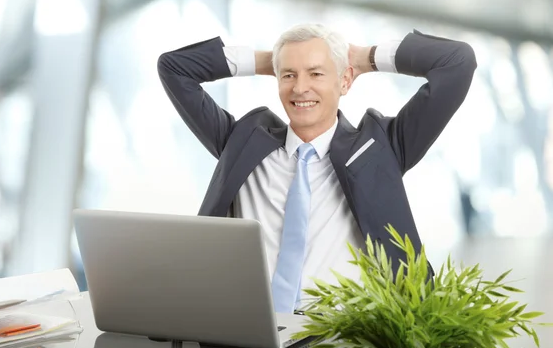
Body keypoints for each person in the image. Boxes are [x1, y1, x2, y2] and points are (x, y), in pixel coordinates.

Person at [157, 24, 476, 314]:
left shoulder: (381, 148)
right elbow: (174, 69)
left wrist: (366, 57)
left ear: (345, 80)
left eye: (316, 74)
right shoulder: (243, 142)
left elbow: (457, 62)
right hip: (248, 341)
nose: (300, 88)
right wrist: (270, 61)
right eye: (289, 76)